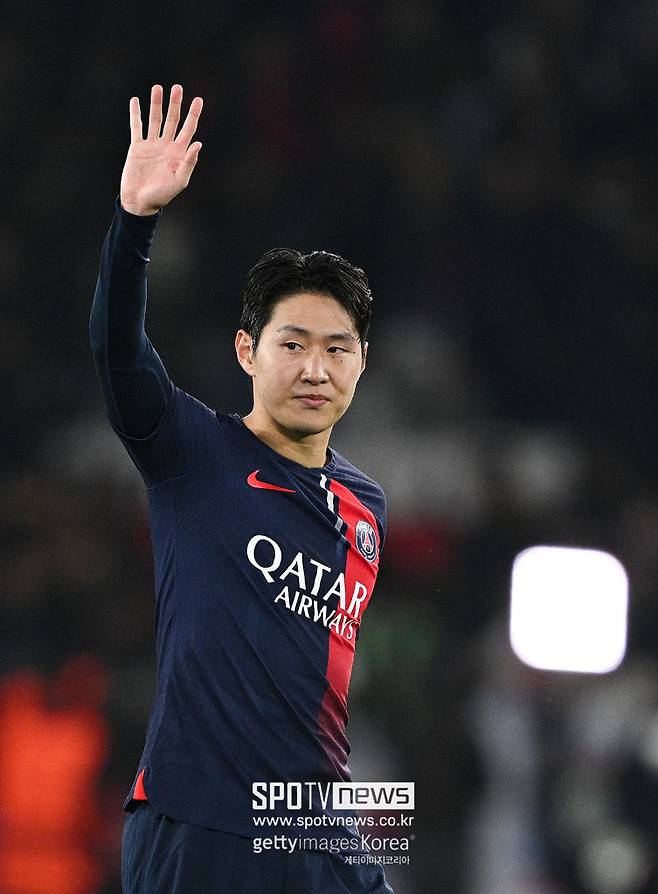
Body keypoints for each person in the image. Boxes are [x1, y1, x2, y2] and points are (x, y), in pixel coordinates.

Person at [90, 84, 394, 894]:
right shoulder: (191, 452)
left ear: (362, 363)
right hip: (196, 825)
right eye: (292, 344)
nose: (315, 368)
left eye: (337, 348)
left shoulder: (367, 508)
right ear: (246, 351)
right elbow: (117, 353)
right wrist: (134, 223)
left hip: (311, 825)